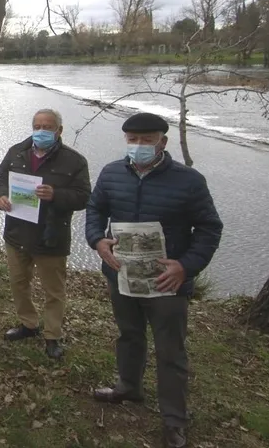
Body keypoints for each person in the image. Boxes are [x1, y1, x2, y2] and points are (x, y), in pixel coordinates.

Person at [85, 112, 223, 448]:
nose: (139, 145)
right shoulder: (111, 172)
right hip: (121, 274)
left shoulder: (189, 180)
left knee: (170, 350)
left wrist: (186, 267)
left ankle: (175, 420)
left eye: (147, 139)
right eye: (133, 139)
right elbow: (95, 209)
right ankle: (128, 387)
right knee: (129, 335)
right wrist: (97, 240)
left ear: (163, 141)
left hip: (166, 282)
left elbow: (209, 228)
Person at [0, 109, 91, 359]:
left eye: (47, 127)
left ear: (59, 130)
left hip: (51, 235)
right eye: (37, 125)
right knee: (18, 283)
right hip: (17, 232)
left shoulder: (74, 161)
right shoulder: (16, 151)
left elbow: (84, 197)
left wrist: (56, 195)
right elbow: (0, 178)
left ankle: (52, 336)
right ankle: (28, 324)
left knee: (53, 290)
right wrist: (1, 196)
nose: (41, 130)